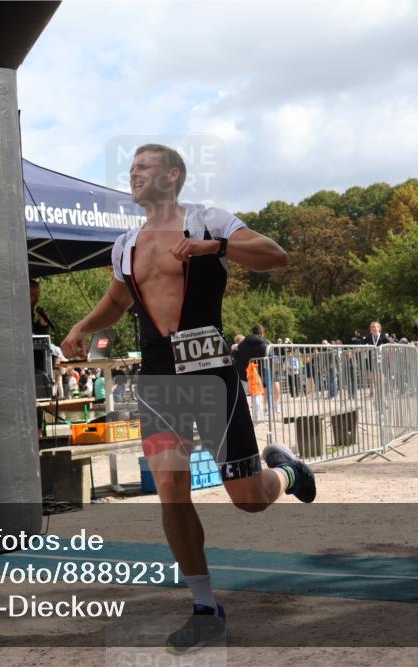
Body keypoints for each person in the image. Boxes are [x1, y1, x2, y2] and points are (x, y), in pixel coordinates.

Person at [61, 143, 310, 653]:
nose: (133, 174)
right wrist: (83, 326)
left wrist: (215, 248)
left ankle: (286, 471)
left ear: (173, 175)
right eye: (131, 168)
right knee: (171, 489)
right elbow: (118, 300)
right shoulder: (125, 245)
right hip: (158, 380)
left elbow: (276, 256)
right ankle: (204, 608)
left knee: (248, 499)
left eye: (144, 167)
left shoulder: (207, 220)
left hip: (211, 374)